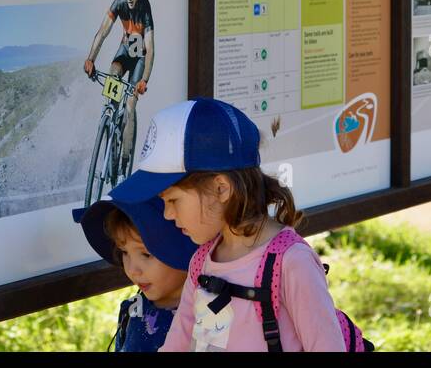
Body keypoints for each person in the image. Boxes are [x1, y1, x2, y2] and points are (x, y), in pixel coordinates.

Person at [109, 98, 347, 351]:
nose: (167, 214)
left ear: (221, 188)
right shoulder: (201, 262)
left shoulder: (291, 262)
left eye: (174, 200)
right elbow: (177, 343)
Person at [72, 195, 196, 351]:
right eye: (124, 252)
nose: (132, 270)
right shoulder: (133, 309)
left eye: (146, 254)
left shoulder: (207, 319)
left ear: (186, 247)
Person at [83, 0, 154, 172]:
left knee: (130, 105)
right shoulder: (119, 2)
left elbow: (150, 48)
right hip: (125, 50)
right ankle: (110, 118)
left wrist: (145, 80)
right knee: (113, 74)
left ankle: (124, 160)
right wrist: (90, 59)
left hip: (140, 56)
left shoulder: (145, 6)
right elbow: (102, 32)